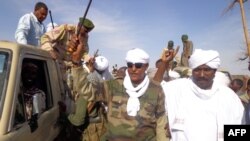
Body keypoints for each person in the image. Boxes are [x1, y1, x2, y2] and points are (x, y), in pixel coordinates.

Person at [154, 48, 244, 141]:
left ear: (214, 72)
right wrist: (164, 64)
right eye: (197, 70)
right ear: (192, 70)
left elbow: (239, 128)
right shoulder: (178, 88)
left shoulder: (228, 96)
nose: (201, 74)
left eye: (207, 70)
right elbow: (154, 90)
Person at [101, 48, 168, 141]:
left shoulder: (156, 89)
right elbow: (87, 92)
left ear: (146, 66)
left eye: (138, 65)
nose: (133, 69)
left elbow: (161, 123)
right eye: (129, 65)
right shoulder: (112, 86)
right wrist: (76, 63)